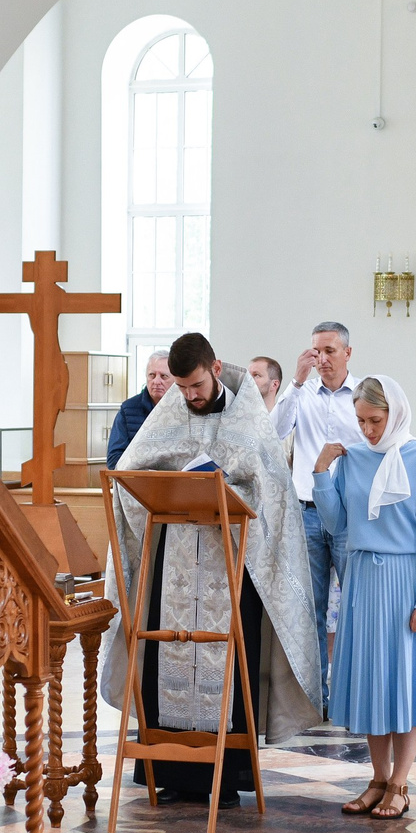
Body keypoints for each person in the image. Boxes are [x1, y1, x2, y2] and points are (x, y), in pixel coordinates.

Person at [101, 332, 324, 804]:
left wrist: (227, 487)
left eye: (196, 386)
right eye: (182, 389)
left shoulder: (248, 416)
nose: (189, 397)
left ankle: (226, 774)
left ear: (216, 369)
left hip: (231, 561)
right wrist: (162, 484)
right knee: (167, 656)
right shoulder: (171, 412)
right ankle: (168, 771)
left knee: (230, 662)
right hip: (176, 561)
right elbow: (134, 474)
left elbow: (271, 491)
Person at [314, 376, 416, 821]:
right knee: (373, 684)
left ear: (395, 413)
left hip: (409, 582)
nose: (368, 429)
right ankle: (376, 778)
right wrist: (321, 473)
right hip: (363, 584)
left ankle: (400, 782)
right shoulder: (353, 459)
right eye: (361, 421)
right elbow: (336, 525)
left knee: (406, 683)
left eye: (375, 420)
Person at [270, 320, 360, 678]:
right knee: (312, 609)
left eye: (329, 351)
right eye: (316, 351)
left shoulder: (363, 393)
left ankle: (351, 687)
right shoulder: (301, 393)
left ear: (348, 353)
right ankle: (318, 694)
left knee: (356, 604)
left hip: (350, 514)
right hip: (307, 514)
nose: (321, 359)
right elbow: (274, 431)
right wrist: (295, 381)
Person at [106, 350, 171, 467]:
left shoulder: (185, 409)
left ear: (176, 380)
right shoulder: (128, 409)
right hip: (137, 480)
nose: (156, 381)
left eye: (163, 376)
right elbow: (114, 458)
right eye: (152, 375)